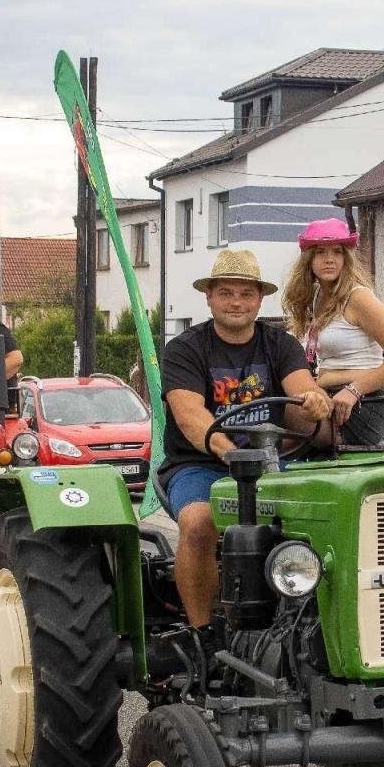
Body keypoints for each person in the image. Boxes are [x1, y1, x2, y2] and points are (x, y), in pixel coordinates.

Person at [159, 249, 330, 628]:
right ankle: (202, 632)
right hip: (200, 465)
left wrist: (315, 401)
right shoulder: (184, 349)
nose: (236, 302)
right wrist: (232, 453)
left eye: (245, 294)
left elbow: (300, 388)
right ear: (209, 297)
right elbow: (191, 418)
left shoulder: (280, 344)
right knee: (199, 522)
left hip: (269, 462)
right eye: (226, 293)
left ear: (259, 299)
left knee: (322, 516)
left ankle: (308, 624)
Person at [282, 218, 384, 446]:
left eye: (337, 252)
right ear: (308, 260)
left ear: (346, 258)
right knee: (271, 423)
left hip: (360, 404)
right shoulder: (316, 298)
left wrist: (353, 391)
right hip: (329, 398)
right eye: (320, 253)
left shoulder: (358, 297)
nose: (329, 259)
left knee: (282, 412)